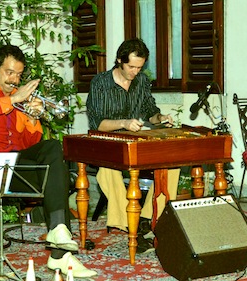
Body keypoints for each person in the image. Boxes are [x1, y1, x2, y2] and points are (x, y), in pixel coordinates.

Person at [0, 44, 97, 277]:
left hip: (13, 170)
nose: (14, 79)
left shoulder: (16, 101)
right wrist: (13, 99)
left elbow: (27, 145)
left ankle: (58, 237)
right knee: (51, 171)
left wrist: (32, 117)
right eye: (9, 72)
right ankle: (61, 254)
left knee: (51, 148)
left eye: (18, 74)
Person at [86, 38, 180, 253]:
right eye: (131, 67)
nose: (135, 72)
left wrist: (161, 117)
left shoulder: (141, 82)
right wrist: (124, 123)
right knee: (107, 172)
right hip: (108, 143)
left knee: (172, 165)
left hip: (136, 143)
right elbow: (97, 123)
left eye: (139, 67)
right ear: (119, 60)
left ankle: (151, 216)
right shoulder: (100, 83)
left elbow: (150, 112)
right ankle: (131, 223)